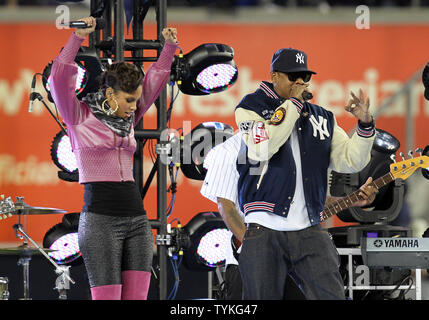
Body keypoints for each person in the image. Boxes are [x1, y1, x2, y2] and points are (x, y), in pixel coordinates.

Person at [232, 47, 377, 300]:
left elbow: (350, 161)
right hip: (264, 228)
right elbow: (262, 147)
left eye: (305, 77)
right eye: (293, 76)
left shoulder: (322, 116)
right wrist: (294, 105)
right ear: (274, 76)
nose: (300, 82)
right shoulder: (250, 108)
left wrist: (364, 125)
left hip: (309, 227)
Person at [49, 16, 178, 300]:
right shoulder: (78, 116)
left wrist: (168, 48)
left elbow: (154, 83)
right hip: (100, 222)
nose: (135, 107)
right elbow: (58, 79)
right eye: (129, 100)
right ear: (109, 93)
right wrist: (77, 38)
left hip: (137, 221)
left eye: (136, 100)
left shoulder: (127, 119)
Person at [201, 130, 378, 300]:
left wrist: (353, 199)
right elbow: (226, 208)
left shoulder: (296, 149)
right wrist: (254, 248)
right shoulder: (228, 150)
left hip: (296, 260)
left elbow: (310, 201)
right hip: (253, 260)